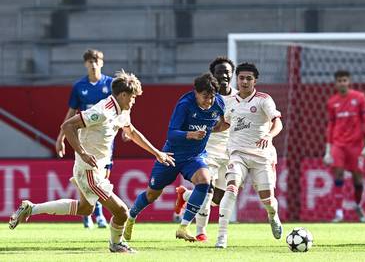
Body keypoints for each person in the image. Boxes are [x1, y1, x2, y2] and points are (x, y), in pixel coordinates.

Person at [9, 70, 174, 253]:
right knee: (122, 212)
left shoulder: (122, 111)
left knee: (85, 208)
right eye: (133, 98)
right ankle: (116, 244)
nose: (134, 101)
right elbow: (67, 126)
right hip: (89, 170)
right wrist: (82, 152)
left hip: (97, 168)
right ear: (123, 95)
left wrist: (157, 152)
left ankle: (30, 208)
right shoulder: (102, 111)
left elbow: (132, 133)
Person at [124, 73, 226, 242]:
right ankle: (131, 217)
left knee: (205, 181)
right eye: (205, 97)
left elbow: (223, 122)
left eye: (211, 97)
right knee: (152, 195)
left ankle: (183, 227)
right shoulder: (185, 104)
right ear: (196, 93)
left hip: (194, 157)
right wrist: (191, 134)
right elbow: (171, 134)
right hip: (171, 156)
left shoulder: (219, 103)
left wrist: (215, 128)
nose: (208, 101)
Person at [215, 62, 283, 249]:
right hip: (237, 154)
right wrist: (207, 131)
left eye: (249, 78)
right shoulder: (229, 102)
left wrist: (269, 135)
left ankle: (272, 215)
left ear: (255, 81)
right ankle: (221, 237)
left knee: (267, 200)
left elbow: (277, 123)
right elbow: (225, 124)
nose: (244, 81)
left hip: (261, 156)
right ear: (237, 79)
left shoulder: (263, 100)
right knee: (230, 189)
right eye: (242, 78)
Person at [174, 56, 237, 242]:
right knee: (207, 193)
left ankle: (184, 195)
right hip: (208, 149)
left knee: (219, 197)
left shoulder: (238, 97)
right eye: (219, 72)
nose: (224, 75)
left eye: (227, 72)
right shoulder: (206, 97)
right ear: (213, 75)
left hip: (230, 151)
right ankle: (201, 231)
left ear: (232, 74)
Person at [55, 49, 112, 229]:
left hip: (105, 138)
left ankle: (94, 212)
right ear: (85, 64)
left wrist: (126, 128)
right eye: (89, 61)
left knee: (103, 175)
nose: (93, 64)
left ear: (102, 62)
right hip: (85, 138)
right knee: (90, 175)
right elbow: (71, 113)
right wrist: (61, 137)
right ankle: (93, 214)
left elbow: (123, 109)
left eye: (96, 60)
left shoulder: (111, 84)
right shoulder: (79, 86)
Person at [322, 70, 365, 223]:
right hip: (338, 144)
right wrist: (327, 151)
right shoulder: (332, 102)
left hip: (356, 145)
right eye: (339, 81)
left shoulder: (359, 98)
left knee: (358, 179)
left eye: (344, 80)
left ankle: (358, 205)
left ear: (349, 81)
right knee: (338, 174)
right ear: (335, 83)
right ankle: (339, 212)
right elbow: (330, 126)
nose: (342, 83)